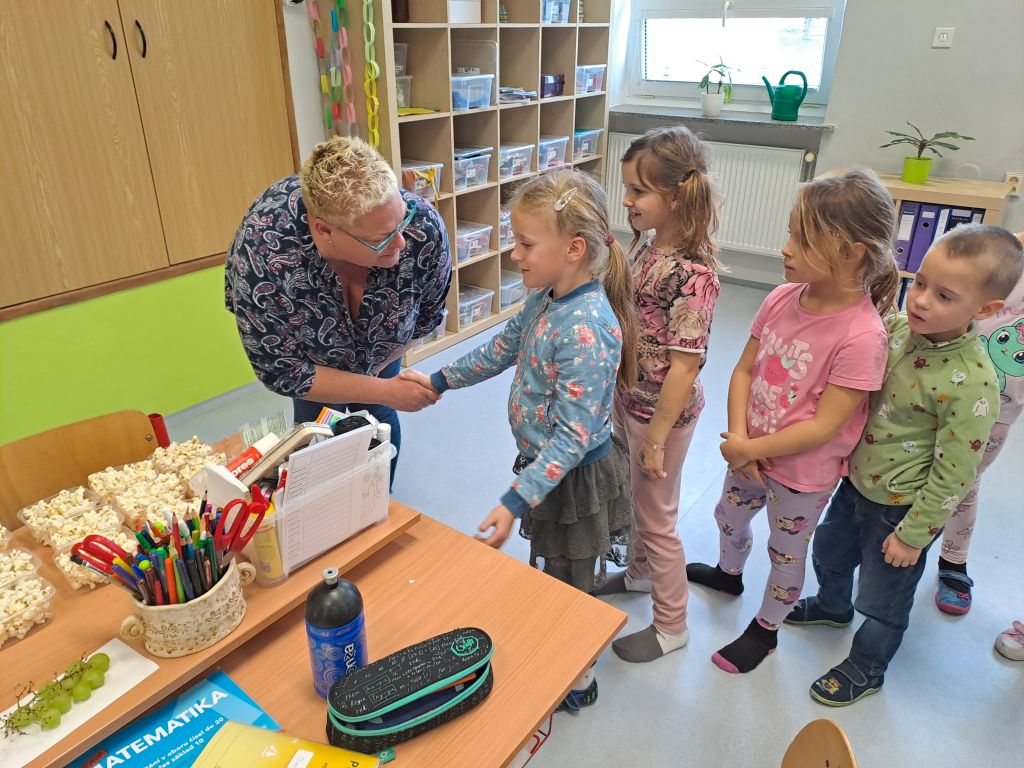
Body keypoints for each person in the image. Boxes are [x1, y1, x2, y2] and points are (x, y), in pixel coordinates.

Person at [402, 168, 637, 710]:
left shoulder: (585, 329)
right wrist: (439, 379)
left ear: (574, 248)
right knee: (556, 566)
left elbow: (572, 440)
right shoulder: (546, 297)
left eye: (526, 244)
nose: (514, 255)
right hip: (544, 469)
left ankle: (580, 676)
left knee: (573, 578)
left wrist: (513, 502)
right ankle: (563, 642)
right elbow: (502, 347)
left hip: (573, 477)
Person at [787, 224, 1023, 705]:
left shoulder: (973, 383)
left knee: (884, 598)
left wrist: (914, 534)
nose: (921, 301)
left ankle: (868, 666)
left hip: (902, 510)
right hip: (856, 483)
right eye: (920, 284)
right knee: (830, 552)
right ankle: (833, 606)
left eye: (944, 295)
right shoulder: (900, 330)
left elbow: (956, 474)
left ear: (984, 310)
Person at [685, 169, 898, 674]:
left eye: (801, 240)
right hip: (748, 454)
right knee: (728, 517)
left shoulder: (862, 336)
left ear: (851, 253)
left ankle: (766, 631)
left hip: (800, 476)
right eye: (790, 235)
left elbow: (824, 427)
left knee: (786, 553)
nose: (785, 249)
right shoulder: (780, 298)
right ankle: (729, 574)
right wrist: (740, 438)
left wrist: (750, 450)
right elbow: (743, 370)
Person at [224, 136, 451, 486]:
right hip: (312, 356)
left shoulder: (421, 226)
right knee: (316, 426)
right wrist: (384, 390)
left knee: (378, 417)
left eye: (401, 223)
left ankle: (378, 497)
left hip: (381, 343)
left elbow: (427, 317)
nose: (401, 243)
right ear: (324, 230)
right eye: (380, 238)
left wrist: (378, 387)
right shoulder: (263, 255)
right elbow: (286, 373)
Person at [592, 126, 722, 665]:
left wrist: (656, 440)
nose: (627, 200)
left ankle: (672, 626)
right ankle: (640, 575)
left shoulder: (693, 275)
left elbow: (685, 367)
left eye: (638, 191)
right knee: (639, 502)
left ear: (676, 197)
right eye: (627, 188)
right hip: (633, 401)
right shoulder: (649, 246)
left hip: (661, 417)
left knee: (657, 519)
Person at [933, 230, 1024, 615]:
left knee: (964, 483)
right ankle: (888, 543)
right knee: (911, 468)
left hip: (998, 410)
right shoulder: (998, 255)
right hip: (937, 391)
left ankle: (953, 560)